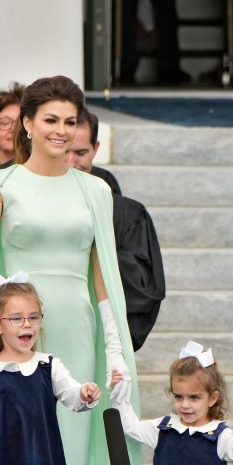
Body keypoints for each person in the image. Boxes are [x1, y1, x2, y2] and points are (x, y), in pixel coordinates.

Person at [0, 75, 139, 465]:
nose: (61, 131)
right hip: (18, 329)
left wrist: (115, 346)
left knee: (72, 431)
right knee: (17, 436)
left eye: (70, 122)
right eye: (51, 120)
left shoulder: (96, 190)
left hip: (76, 325)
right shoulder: (3, 182)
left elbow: (101, 273)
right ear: (27, 123)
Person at [0, 274, 100, 465]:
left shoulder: (47, 366)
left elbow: (73, 397)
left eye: (33, 317)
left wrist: (84, 393)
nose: (27, 324)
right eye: (16, 318)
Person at [65, 109, 165, 351]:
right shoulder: (23, 203)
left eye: (80, 152)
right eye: (63, 151)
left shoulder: (126, 216)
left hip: (102, 340)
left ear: (95, 149)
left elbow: (142, 293)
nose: (70, 163)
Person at [111, 341, 233, 465]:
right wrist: (120, 391)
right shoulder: (162, 428)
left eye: (194, 397)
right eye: (178, 397)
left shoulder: (221, 436)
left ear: (212, 398)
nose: (185, 405)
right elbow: (129, 427)